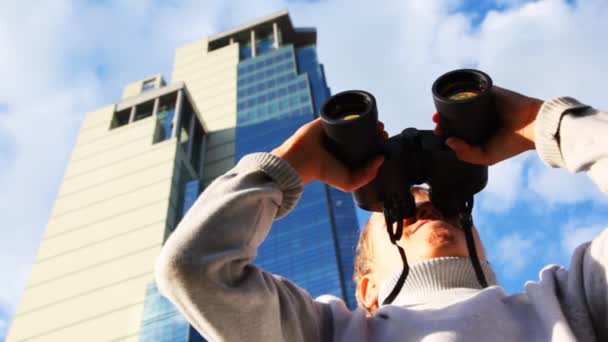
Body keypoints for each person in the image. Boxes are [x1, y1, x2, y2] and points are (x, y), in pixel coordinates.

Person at [154, 85, 608, 341]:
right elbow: (192, 269)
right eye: (400, 212)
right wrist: (289, 163)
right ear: (367, 289)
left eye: (442, 204)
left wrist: (543, 123)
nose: (426, 204)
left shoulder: (571, 302)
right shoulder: (326, 333)